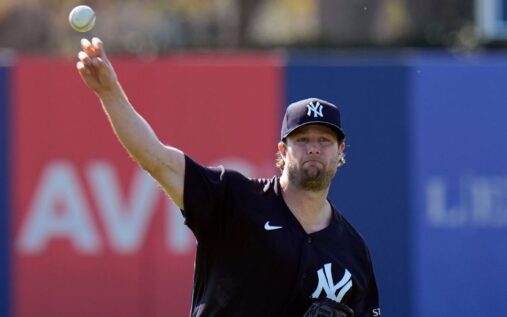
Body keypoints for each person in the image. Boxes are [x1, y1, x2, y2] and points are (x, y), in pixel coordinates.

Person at [76, 37, 381, 317]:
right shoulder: (235, 198)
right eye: (302, 140)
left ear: (341, 151)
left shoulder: (353, 250)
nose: (314, 149)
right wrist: (110, 92)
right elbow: (156, 159)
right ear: (282, 150)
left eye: (324, 141)